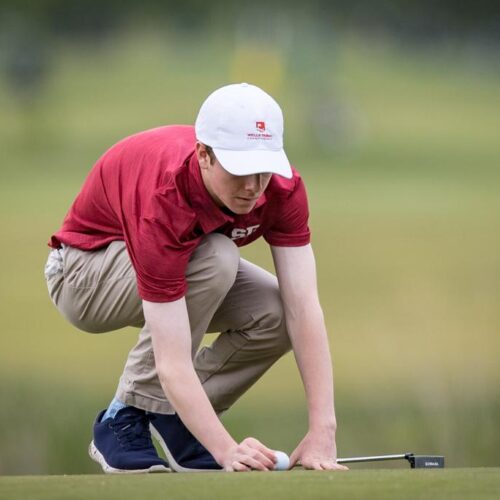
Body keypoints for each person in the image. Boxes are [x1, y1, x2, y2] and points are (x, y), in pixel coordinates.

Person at [44, 83, 348, 473]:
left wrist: (323, 430)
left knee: (275, 312)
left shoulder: (283, 189)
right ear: (204, 154)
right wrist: (226, 450)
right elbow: (170, 361)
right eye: (239, 170)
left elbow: (303, 308)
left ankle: (174, 418)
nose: (253, 186)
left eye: (263, 169)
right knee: (216, 257)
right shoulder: (165, 199)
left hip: (178, 263)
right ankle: (121, 418)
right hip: (82, 277)